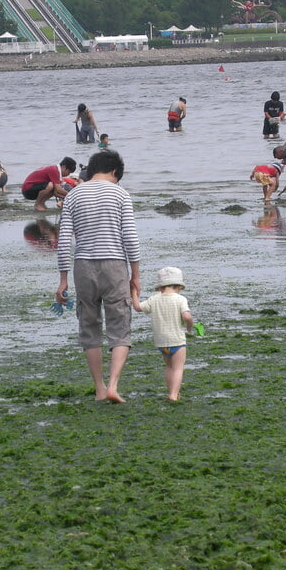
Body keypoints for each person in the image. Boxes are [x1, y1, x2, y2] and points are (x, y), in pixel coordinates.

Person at [55, 150, 141, 404]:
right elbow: (130, 238)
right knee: (119, 327)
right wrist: (135, 274)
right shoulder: (120, 194)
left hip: (83, 266)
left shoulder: (73, 195)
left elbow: (64, 241)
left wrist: (63, 279)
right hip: (114, 264)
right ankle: (114, 385)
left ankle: (99, 388)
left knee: (89, 327)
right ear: (115, 172)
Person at [132, 266, 196, 402]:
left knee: (168, 367)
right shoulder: (180, 299)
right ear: (179, 286)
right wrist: (190, 325)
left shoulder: (154, 299)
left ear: (160, 287)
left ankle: (171, 392)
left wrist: (133, 292)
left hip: (161, 342)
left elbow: (137, 307)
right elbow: (187, 317)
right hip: (177, 341)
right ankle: (174, 394)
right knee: (178, 369)